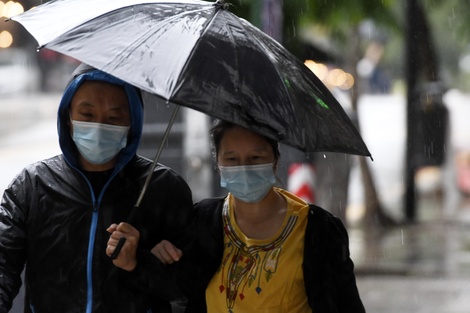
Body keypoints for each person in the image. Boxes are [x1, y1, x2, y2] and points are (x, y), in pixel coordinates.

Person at [0, 64, 194, 313]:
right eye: (87, 115)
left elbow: (191, 287)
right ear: (68, 118)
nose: (99, 126)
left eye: (113, 118)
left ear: (132, 122)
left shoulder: (165, 188)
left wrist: (139, 263)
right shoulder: (32, 185)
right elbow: (4, 262)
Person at [154, 119, 366, 313]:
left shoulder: (318, 230)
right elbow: (176, 290)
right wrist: (155, 258)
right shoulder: (202, 221)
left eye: (255, 158)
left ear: (275, 160)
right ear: (218, 164)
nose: (244, 168)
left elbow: (347, 306)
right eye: (231, 158)